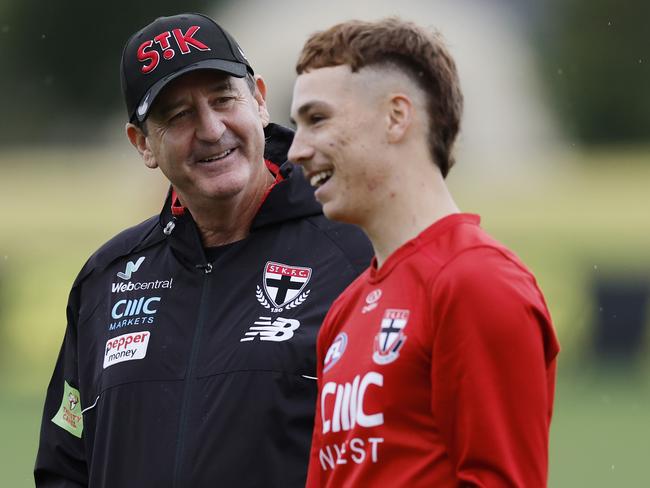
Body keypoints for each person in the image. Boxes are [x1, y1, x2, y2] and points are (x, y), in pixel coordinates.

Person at [34, 12, 372, 487]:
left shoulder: (356, 254)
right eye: (179, 115)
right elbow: (65, 467)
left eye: (222, 99)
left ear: (258, 100)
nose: (211, 130)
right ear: (143, 145)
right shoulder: (105, 282)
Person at [288, 18, 560, 487]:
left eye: (317, 119)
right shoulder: (345, 310)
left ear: (397, 116)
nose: (296, 150)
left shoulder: (476, 281)